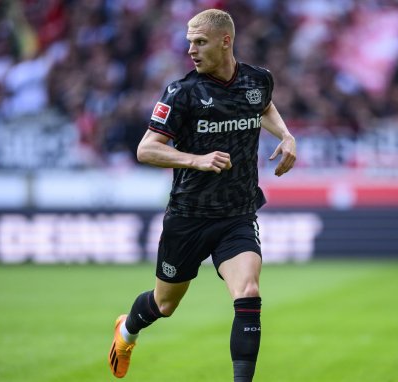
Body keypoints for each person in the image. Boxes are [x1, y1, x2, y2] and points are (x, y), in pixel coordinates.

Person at [108, 9, 296, 381]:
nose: (191, 50)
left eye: (200, 42)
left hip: (237, 214)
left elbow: (264, 107)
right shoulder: (183, 92)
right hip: (188, 217)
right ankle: (126, 330)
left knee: (249, 291)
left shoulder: (258, 80)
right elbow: (146, 149)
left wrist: (286, 136)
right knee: (164, 305)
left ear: (225, 41)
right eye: (189, 42)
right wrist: (195, 159)